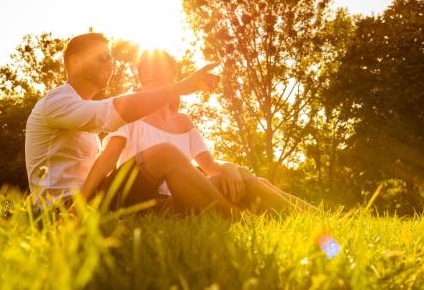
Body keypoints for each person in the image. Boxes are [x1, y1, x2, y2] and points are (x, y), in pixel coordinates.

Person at [25, 33, 237, 217]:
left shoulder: (82, 110)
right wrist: (180, 87)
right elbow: (114, 112)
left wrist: (228, 167)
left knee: (234, 179)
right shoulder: (56, 103)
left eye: (111, 59)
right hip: (59, 208)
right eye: (102, 58)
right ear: (75, 62)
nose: (110, 64)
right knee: (164, 154)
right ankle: (235, 219)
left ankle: (242, 214)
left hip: (92, 200)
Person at [82, 49, 316, 214]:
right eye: (142, 70)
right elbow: (107, 158)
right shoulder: (130, 115)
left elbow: (211, 167)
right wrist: (81, 203)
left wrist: (231, 167)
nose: (146, 73)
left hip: (184, 195)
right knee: (247, 181)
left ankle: (320, 219)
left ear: (172, 77)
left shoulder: (184, 121)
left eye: (154, 68)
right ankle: (253, 222)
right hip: (151, 203)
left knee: (247, 176)